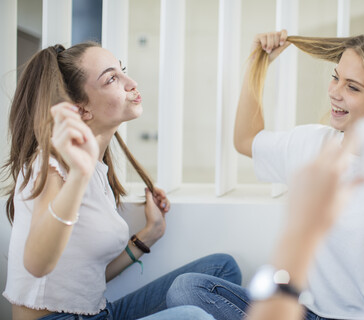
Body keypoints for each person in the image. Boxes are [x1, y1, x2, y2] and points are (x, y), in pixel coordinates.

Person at [165, 31, 364, 320]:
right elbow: (246, 140)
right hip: (300, 311)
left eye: (352, 87)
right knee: (187, 288)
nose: (335, 93)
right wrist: (260, 63)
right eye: (335, 78)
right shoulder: (313, 144)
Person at [1, 42, 241, 320]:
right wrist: (78, 175)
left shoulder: (99, 172)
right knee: (194, 317)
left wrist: (151, 232)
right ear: (82, 109)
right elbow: (36, 264)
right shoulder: (50, 164)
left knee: (221, 269)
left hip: (99, 312)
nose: (131, 82)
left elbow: (86, 276)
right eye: (112, 78)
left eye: (122, 70)